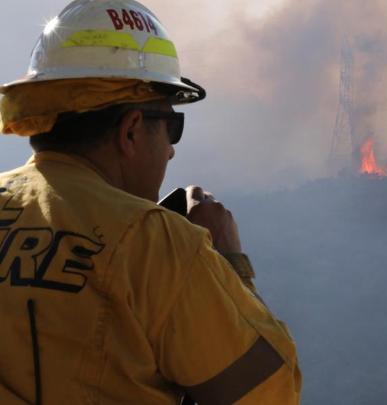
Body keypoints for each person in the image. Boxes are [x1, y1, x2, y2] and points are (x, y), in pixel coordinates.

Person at [0, 1, 302, 404]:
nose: (172, 152)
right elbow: (270, 394)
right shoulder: (156, 240)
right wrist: (230, 264)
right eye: (171, 126)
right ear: (131, 130)